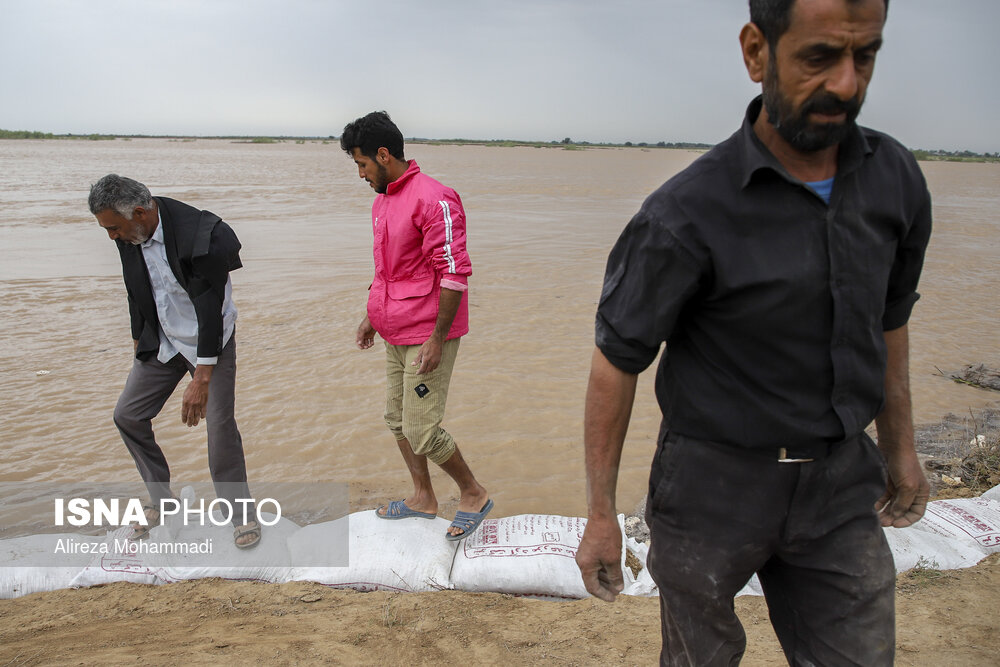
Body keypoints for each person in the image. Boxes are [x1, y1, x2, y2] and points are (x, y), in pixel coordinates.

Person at [575, 0, 931, 664]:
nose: (847, 83)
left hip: (840, 481)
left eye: (866, 55)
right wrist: (602, 515)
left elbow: (891, 321)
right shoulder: (685, 213)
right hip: (711, 485)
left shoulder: (895, 180)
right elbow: (615, 364)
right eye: (820, 57)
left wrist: (901, 446)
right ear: (756, 52)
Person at [340, 111, 492, 541]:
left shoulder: (435, 199)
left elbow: (453, 273)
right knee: (395, 418)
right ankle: (423, 497)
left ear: (383, 155)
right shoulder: (382, 202)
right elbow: (390, 270)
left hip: (428, 334)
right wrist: (371, 316)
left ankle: (473, 493)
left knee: (422, 429)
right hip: (394, 330)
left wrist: (438, 338)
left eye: (362, 165)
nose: (361, 174)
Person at [89, 174, 261, 549]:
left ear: (139, 212)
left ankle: (241, 514)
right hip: (164, 339)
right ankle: (161, 498)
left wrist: (201, 377)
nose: (112, 237)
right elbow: (134, 286)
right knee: (128, 415)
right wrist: (139, 342)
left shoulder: (201, 237)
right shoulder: (129, 233)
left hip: (211, 339)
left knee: (218, 428)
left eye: (114, 228)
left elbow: (210, 310)